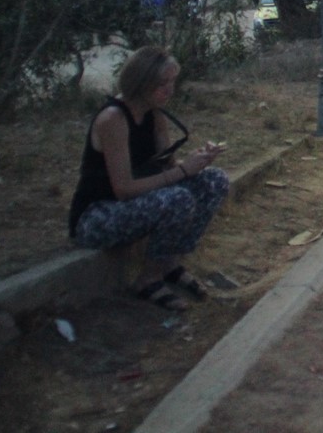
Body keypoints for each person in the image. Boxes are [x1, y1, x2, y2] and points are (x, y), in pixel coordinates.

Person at [67, 46, 229, 311]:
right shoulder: (114, 119)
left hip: (138, 201)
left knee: (214, 181)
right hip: (98, 214)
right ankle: (148, 278)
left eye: (172, 82)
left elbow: (167, 167)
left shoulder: (155, 114)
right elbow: (124, 189)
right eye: (162, 84)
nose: (169, 90)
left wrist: (197, 162)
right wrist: (182, 171)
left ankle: (170, 264)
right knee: (178, 198)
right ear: (141, 83)